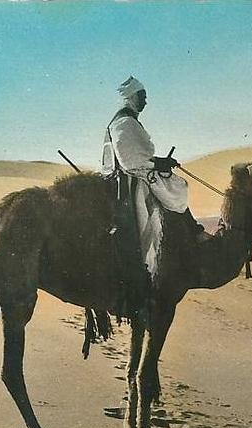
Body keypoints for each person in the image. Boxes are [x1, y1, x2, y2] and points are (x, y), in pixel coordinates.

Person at [101, 77, 204, 297]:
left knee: (176, 186)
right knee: (174, 191)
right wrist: (159, 164)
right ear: (132, 97)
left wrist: (160, 162)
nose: (146, 101)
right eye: (143, 97)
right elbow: (131, 160)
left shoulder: (127, 120)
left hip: (135, 172)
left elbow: (138, 156)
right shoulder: (124, 123)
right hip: (130, 178)